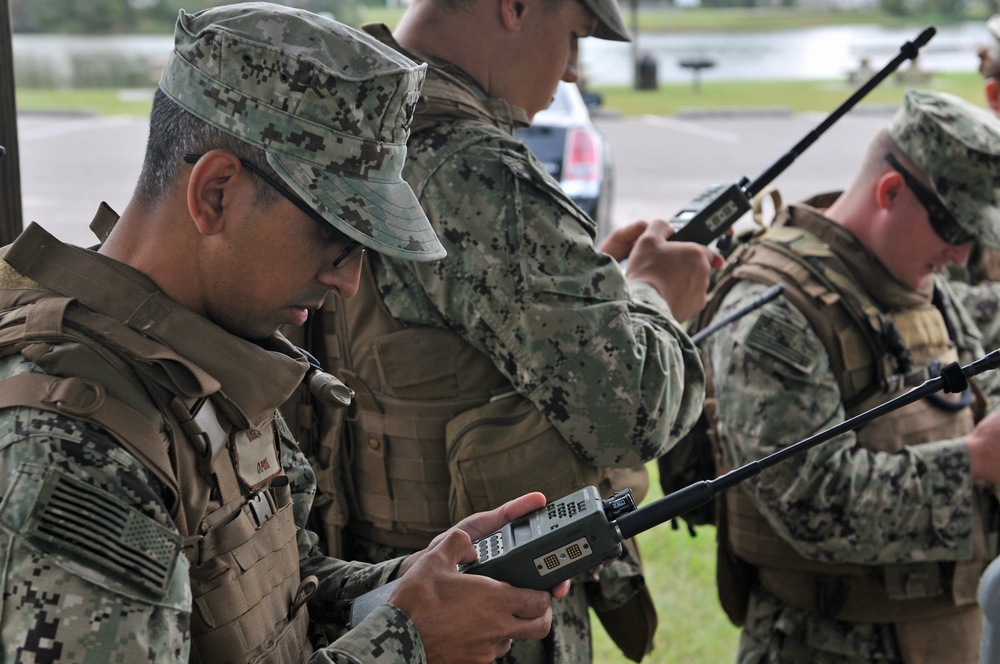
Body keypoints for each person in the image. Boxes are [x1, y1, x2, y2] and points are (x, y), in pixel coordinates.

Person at [0, 4, 570, 662]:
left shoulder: (201, 356)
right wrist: (407, 646)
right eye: (334, 241)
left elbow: (276, 601)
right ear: (216, 193)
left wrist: (417, 586)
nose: (348, 281)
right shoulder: (70, 444)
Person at [277, 0, 722, 660]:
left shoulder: (341, 123)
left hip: (373, 594)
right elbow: (633, 406)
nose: (572, 71)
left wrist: (597, 282)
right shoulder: (471, 168)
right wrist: (655, 291)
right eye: (573, 37)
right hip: (481, 602)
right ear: (515, 7)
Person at [698, 89, 1000, 663]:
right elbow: (809, 499)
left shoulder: (915, 282)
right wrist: (974, 463)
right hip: (824, 643)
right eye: (955, 231)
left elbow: (977, 388)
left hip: (945, 633)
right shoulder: (774, 310)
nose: (962, 257)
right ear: (891, 192)